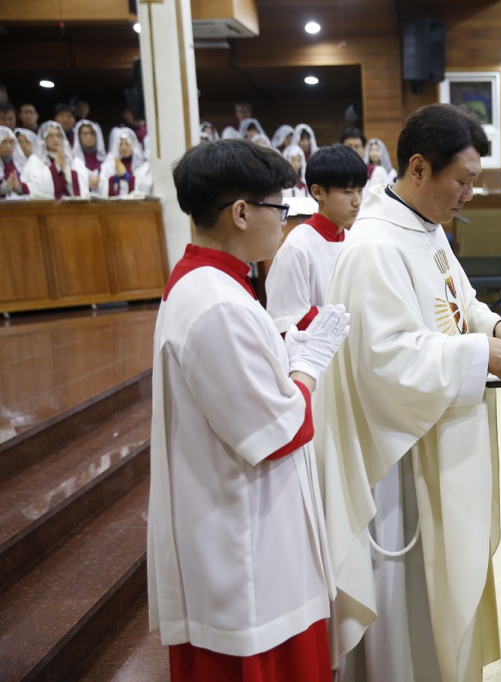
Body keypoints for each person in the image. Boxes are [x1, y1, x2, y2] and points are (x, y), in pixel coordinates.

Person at [316, 103, 501, 681]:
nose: (468, 194)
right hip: (400, 461)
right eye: (462, 181)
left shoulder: (425, 229)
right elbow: (383, 360)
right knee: (409, 609)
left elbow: (459, 304)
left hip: (436, 438)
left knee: (440, 600)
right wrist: (476, 353)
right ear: (419, 168)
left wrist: (499, 329)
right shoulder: (372, 248)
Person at [149, 138, 349, 681]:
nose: (283, 224)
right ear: (241, 212)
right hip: (244, 553)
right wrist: (309, 362)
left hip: (250, 534)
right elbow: (277, 428)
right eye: (278, 208)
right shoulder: (215, 303)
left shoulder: (214, 284)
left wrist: (288, 356)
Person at [266, 145, 366, 332]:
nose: (357, 201)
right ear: (318, 192)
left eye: (359, 191)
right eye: (347, 191)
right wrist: (351, 316)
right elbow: (288, 319)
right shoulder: (297, 247)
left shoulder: (355, 240)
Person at [22, 120, 90, 199]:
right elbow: (36, 187)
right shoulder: (35, 160)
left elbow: (83, 186)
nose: (55, 139)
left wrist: (66, 169)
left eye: (59, 135)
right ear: (44, 139)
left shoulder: (73, 160)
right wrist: (56, 167)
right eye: (51, 136)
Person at [100, 127, 152, 197]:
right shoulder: (110, 165)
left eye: (127, 144)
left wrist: (129, 178)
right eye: (121, 144)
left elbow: (146, 186)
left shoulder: (143, 166)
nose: (124, 147)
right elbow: (101, 184)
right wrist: (113, 179)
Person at [72, 119, 105, 195]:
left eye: (92, 133)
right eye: (84, 134)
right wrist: (85, 184)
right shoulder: (73, 160)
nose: (89, 137)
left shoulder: (106, 158)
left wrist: (101, 181)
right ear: (79, 136)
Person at [0, 126, 29, 198]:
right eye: (4, 142)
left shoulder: (21, 164)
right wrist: (5, 188)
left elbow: (32, 189)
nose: (8, 146)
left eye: (11, 142)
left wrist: (19, 187)